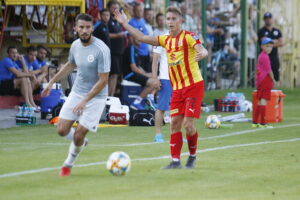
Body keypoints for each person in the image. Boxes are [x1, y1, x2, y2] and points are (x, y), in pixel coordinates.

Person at [114, 6, 208, 169]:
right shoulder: (165, 39)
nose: (170, 22)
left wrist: (203, 53)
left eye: (174, 19)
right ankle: (175, 161)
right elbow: (142, 37)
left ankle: (192, 156)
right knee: (174, 124)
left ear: (181, 21)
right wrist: (124, 24)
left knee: (188, 125)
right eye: (168, 19)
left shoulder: (188, 37)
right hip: (177, 87)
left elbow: (201, 49)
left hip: (193, 86)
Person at [41, 13, 110, 176]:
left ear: (92, 28)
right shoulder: (75, 46)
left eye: (87, 27)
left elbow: (103, 80)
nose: (84, 30)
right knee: (61, 130)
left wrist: (85, 101)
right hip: (77, 92)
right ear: (76, 28)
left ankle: (68, 164)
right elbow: (70, 65)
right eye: (81, 27)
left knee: (78, 133)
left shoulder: (102, 49)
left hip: (96, 97)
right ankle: (80, 142)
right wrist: (51, 82)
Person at [123, 36, 159, 110]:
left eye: (140, 38)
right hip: (129, 75)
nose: (139, 40)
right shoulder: (131, 48)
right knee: (154, 83)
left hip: (134, 73)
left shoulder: (136, 49)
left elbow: (138, 67)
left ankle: (149, 102)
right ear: (132, 38)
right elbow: (134, 68)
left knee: (157, 80)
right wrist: (146, 75)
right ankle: (136, 102)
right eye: (137, 37)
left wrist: (148, 74)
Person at [152, 40, 172, 142]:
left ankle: (177, 134)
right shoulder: (161, 39)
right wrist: (155, 78)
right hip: (166, 78)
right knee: (162, 107)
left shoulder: (184, 37)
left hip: (180, 78)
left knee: (179, 108)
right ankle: (158, 134)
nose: (171, 23)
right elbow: (155, 59)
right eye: (169, 22)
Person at [253, 38, 274, 128]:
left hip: (260, 80)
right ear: (262, 46)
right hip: (266, 80)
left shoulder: (260, 55)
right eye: (267, 46)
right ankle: (263, 122)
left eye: (270, 46)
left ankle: (255, 122)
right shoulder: (265, 56)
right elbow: (269, 71)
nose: (269, 48)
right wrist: (274, 80)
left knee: (260, 100)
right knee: (263, 100)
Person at [107, 0, 126, 96]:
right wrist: (117, 35)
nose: (115, 10)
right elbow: (106, 35)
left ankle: (112, 96)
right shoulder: (108, 21)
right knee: (112, 75)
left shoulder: (118, 20)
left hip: (119, 52)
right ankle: (108, 97)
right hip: (112, 51)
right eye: (113, 8)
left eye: (117, 8)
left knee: (116, 75)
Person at [258, 12, 284, 82]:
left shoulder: (277, 31)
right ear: (264, 20)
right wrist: (274, 41)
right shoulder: (261, 31)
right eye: (266, 19)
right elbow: (263, 42)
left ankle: (274, 91)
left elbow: (281, 43)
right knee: (265, 75)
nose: (268, 20)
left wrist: (269, 43)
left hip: (274, 57)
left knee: (275, 75)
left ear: (272, 19)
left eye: (269, 18)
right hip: (265, 56)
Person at [129, 3, 151, 73]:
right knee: (141, 74)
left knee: (148, 73)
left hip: (146, 52)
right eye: (137, 11)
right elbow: (131, 38)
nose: (139, 12)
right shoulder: (131, 22)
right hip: (138, 53)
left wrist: (149, 51)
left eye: (141, 10)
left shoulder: (143, 21)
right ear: (134, 11)